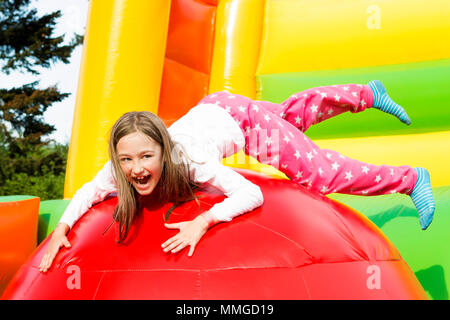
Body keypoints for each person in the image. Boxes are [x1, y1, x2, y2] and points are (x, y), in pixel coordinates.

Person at [38, 80, 435, 273]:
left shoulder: (189, 158)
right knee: (293, 116)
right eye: (127, 160)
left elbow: (250, 195)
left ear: (163, 149)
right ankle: (366, 94)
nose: (137, 169)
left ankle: (409, 179)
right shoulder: (122, 167)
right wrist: (62, 229)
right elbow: (89, 191)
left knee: (318, 172)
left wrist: (203, 220)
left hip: (241, 122)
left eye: (146, 156)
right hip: (216, 105)